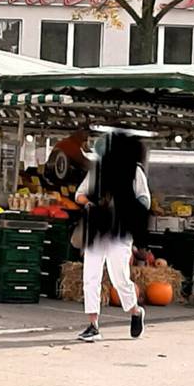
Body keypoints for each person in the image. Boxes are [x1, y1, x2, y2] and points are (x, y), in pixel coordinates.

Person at [74, 130, 152, 343]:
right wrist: (89, 202)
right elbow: (79, 194)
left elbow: (144, 199)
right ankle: (93, 325)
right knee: (91, 276)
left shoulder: (135, 172)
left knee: (119, 277)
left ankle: (135, 311)